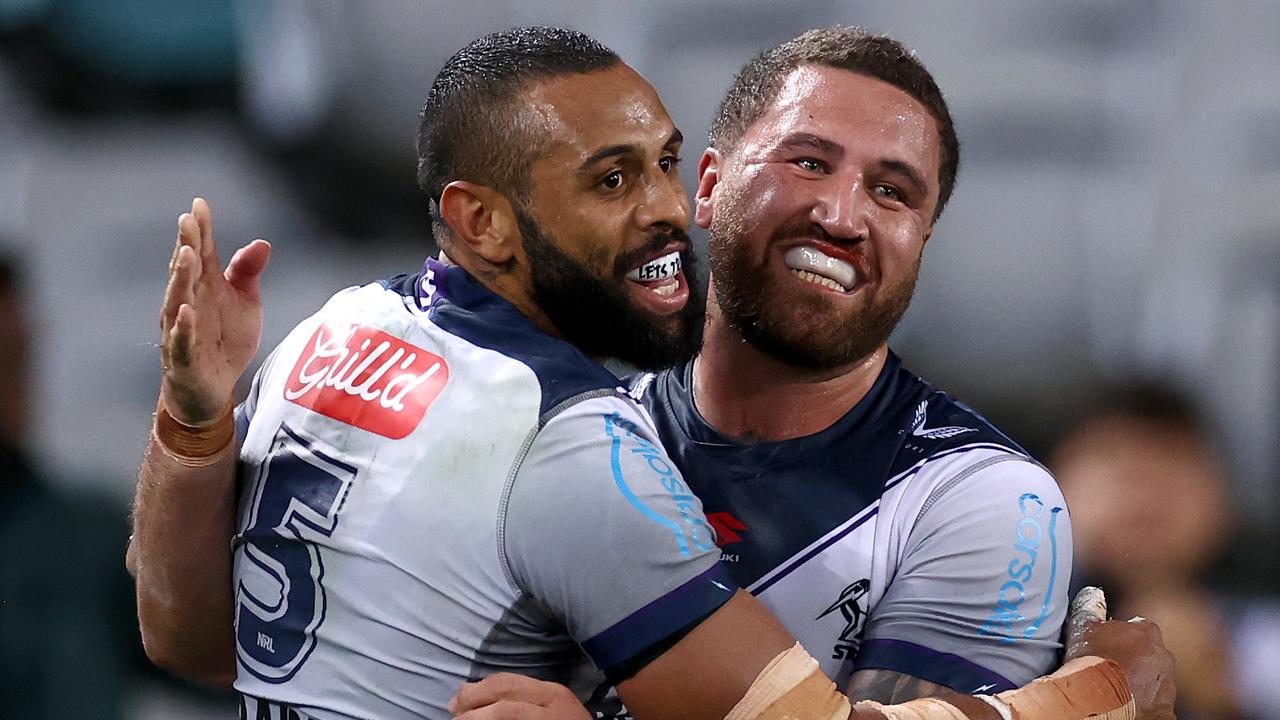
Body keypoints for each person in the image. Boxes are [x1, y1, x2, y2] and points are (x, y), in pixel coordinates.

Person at [130, 26, 1172, 720]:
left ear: (925, 237)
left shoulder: (981, 501)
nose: (843, 214)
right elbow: (221, 647)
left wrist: (194, 428)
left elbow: (198, 638)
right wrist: (1105, 692)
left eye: (893, 191)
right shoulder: (577, 432)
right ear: (719, 186)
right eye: (807, 161)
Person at [1055, 381, 1280, 720]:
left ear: (1223, 502)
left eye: (1174, 458)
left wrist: (1219, 702)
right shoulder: (993, 629)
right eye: (1110, 455)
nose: (1143, 483)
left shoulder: (1264, 647)